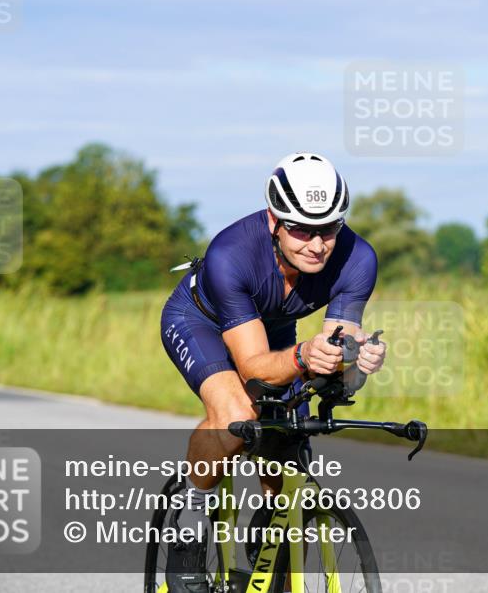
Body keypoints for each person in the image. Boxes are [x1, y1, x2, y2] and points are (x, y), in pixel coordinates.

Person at [159, 152, 386, 589]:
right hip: (199, 321)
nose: (317, 245)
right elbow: (255, 368)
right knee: (236, 414)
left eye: (328, 229)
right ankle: (188, 523)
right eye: (301, 229)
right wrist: (303, 357)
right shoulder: (231, 254)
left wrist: (357, 360)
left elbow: (337, 350)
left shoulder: (358, 259)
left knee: (286, 432)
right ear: (274, 221)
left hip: (276, 329)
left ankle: (272, 536)